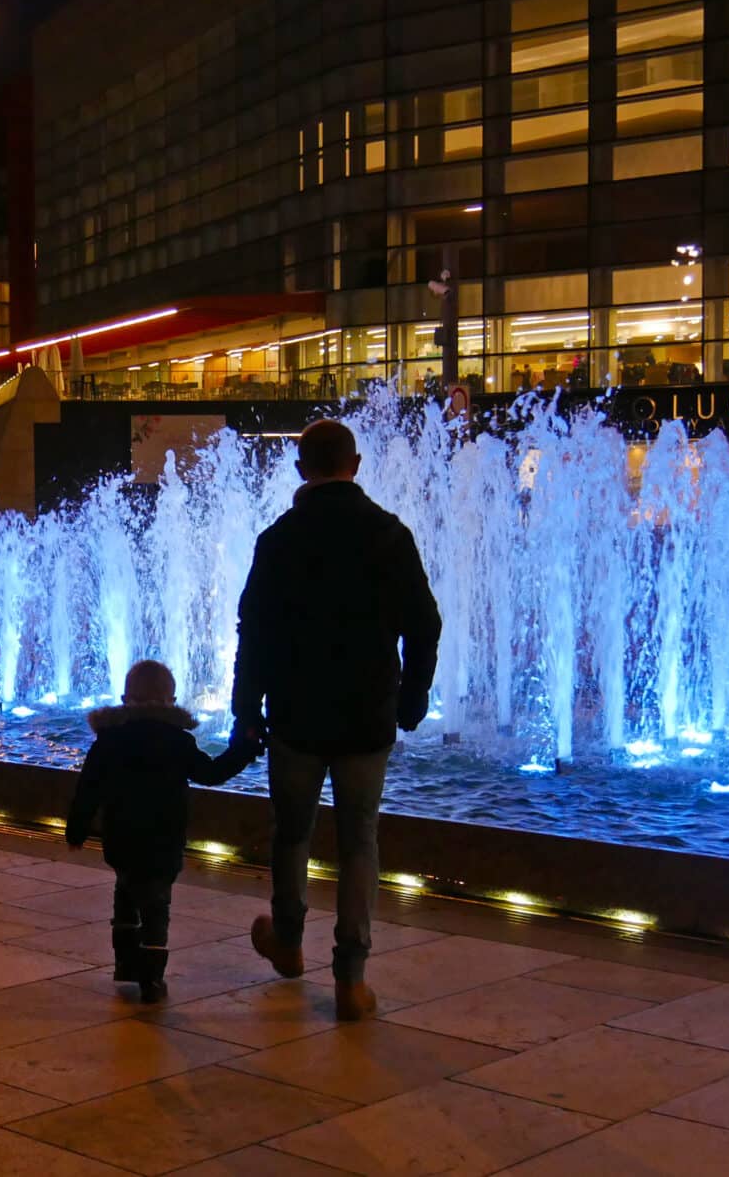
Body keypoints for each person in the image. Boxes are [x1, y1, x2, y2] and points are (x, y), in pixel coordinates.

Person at [232, 417, 441, 1021]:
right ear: (355, 464)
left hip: (296, 716)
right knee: (359, 843)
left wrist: (247, 710)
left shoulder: (278, 540)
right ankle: (351, 978)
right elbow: (424, 624)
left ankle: (289, 943)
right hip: (366, 716)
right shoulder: (388, 534)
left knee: (292, 833)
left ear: (301, 470)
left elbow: (255, 635)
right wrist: (411, 699)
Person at [66, 660, 256, 1002]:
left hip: (121, 839)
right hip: (163, 841)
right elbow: (211, 774)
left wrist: (76, 830)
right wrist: (243, 748)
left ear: (126, 698)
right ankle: (152, 979)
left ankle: (125, 963)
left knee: (125, 895)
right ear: (172, 700)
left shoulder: (109, 740)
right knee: (156, 906)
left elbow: (88, 788)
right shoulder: (176, 741)